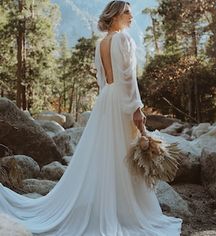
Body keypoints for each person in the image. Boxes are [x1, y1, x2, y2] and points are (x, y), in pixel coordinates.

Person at [0, 1, 182, 235]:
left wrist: (112, 101)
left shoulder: (101, 44)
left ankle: (106, 203)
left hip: (107, 100)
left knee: (105, 153)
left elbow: (103, 81)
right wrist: (137, 108)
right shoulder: (124, 39)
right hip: (121, 100)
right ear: (116, 14)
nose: (131, 16)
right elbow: (128, 78)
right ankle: (123, 209)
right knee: (124, 154)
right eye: (127, 11)